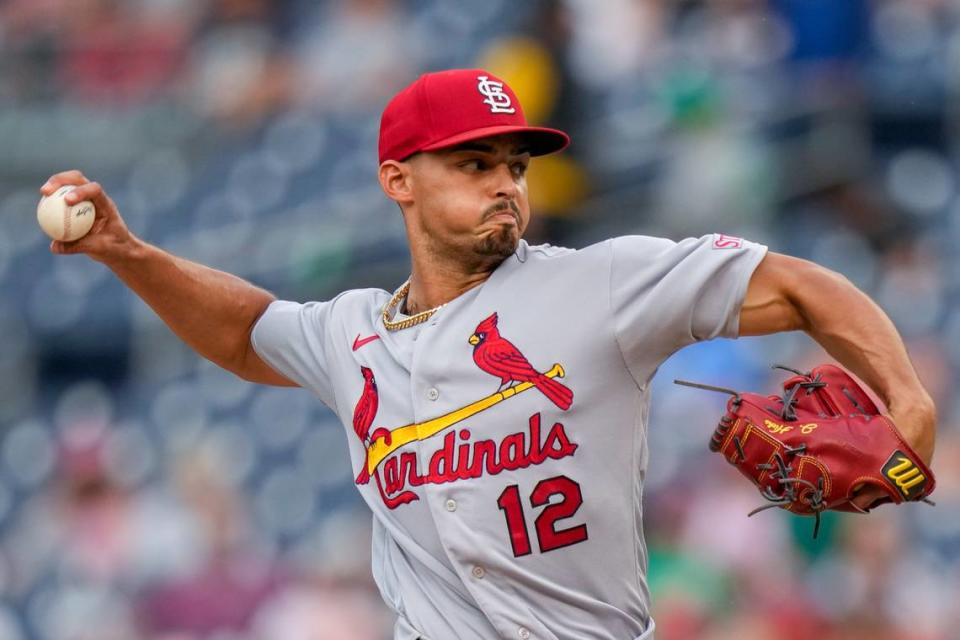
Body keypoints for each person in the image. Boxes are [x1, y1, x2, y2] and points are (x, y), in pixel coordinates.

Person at [41, 68, 936, 640]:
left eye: (514, 164)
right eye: (473, 164)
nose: (506, 183)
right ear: (399, 181)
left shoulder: (602, 284)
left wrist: (908, 399)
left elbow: (801, 285)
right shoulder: (350, 334)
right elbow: (244, 330)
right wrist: (128, 251)